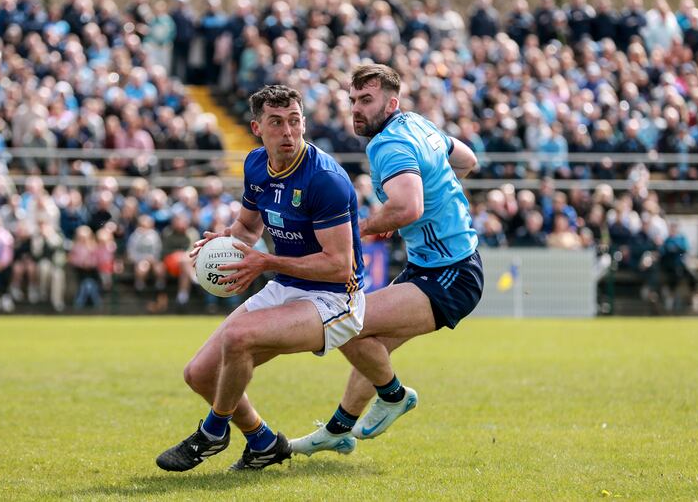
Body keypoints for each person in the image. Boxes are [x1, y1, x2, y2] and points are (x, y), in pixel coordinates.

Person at [155, 85, 368, 472]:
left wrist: (266, 262)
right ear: (257, 127)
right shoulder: (255, 164)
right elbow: (248, 228)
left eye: (294, 121)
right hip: (287, 286)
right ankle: (264, 442)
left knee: (239, 338)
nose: (288, 132)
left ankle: (213, 430)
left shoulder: (326, 180)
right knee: (199, 374)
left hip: (336, 300)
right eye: (276, 123)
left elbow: (339, 266)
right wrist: (225, 240)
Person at [290, 64, 483, 456]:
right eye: (353, 101)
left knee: (346, 322)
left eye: (366, 100)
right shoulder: (418, 124)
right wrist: (430, 202)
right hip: (438, 265)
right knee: (371, 342)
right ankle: (338, 429)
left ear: (391, 102)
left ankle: (394, 396)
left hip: (450, 274)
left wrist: (361, 228)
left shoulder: (386, 145)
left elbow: (408, 206)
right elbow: (467, 160)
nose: (356, 109)